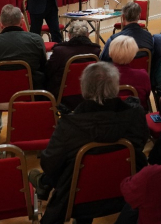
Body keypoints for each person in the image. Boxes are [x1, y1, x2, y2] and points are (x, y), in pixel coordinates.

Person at [29, 62, 149, 224]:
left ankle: (43, 185)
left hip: (75, 199)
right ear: (115, 86)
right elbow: (141, 144)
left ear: (84, 89)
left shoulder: (70, 125)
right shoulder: (135, 114)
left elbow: (49, 164)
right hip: (125, 194)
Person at [0, 5, 47, 136]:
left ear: (1, 24)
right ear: (22, 22)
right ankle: (29, 129)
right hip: (30, 96)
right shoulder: (36, 40)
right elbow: (44, 68)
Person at [44, 20, 100, 103]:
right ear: (87, 35)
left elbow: (48, 71)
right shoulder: (95, 51)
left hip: (62, 97)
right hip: (89, 95)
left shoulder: (59, 51)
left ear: (69, 35)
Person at [110, 35, 152, 109]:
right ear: (133, 54)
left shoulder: (102, 77)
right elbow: (146, 97)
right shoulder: (142, 76)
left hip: (109, 115)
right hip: (137, 115)